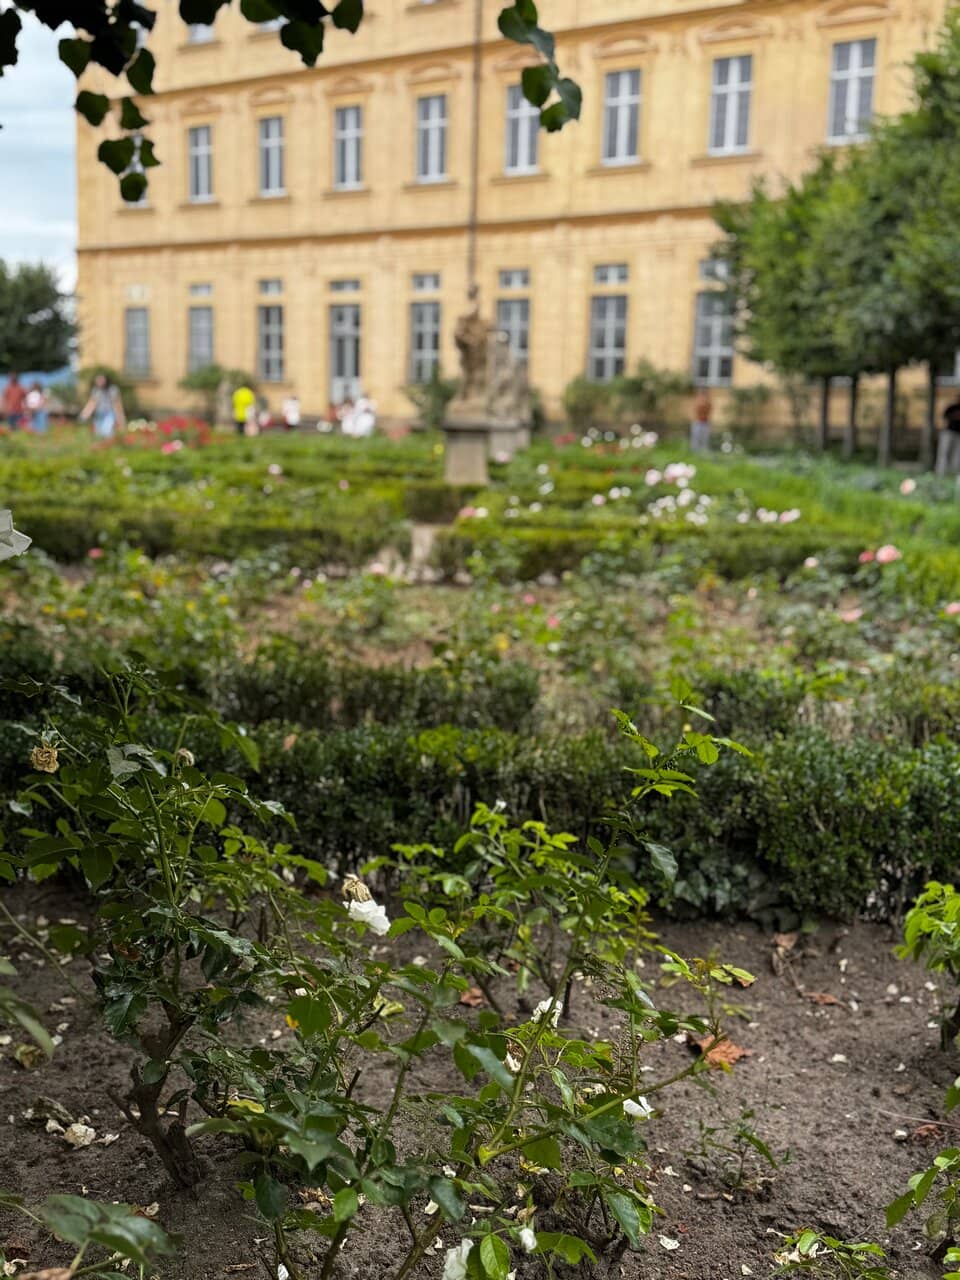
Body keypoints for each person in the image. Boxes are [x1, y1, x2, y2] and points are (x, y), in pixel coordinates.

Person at [80, 373, 125, 439]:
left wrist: (121, 418)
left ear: (106, 380)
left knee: (107, 432)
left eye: (101, 380)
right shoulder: (96, 391)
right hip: (99, 413)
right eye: (98, 380)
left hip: (109, 413)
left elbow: (117, 404)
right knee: (98, 433)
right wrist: (84, 415)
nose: (99, 382)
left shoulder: (112, 390)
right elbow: (92, 404)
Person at [937, 394, 960, 476]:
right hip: (948, 433)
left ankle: (953, 473)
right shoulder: (952, 407)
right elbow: (945, 417)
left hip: (958, 434)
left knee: (956, 455)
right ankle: (940, 473)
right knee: (944, 453)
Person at [690, 388, 712, 452]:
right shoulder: (697, 402)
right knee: (696, 440)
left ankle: (703, 453)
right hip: (698, 423)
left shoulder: (708, 403)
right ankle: (695, 453)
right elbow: (698, 409)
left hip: (705, 423)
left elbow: (708, 410)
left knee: (704, 440)